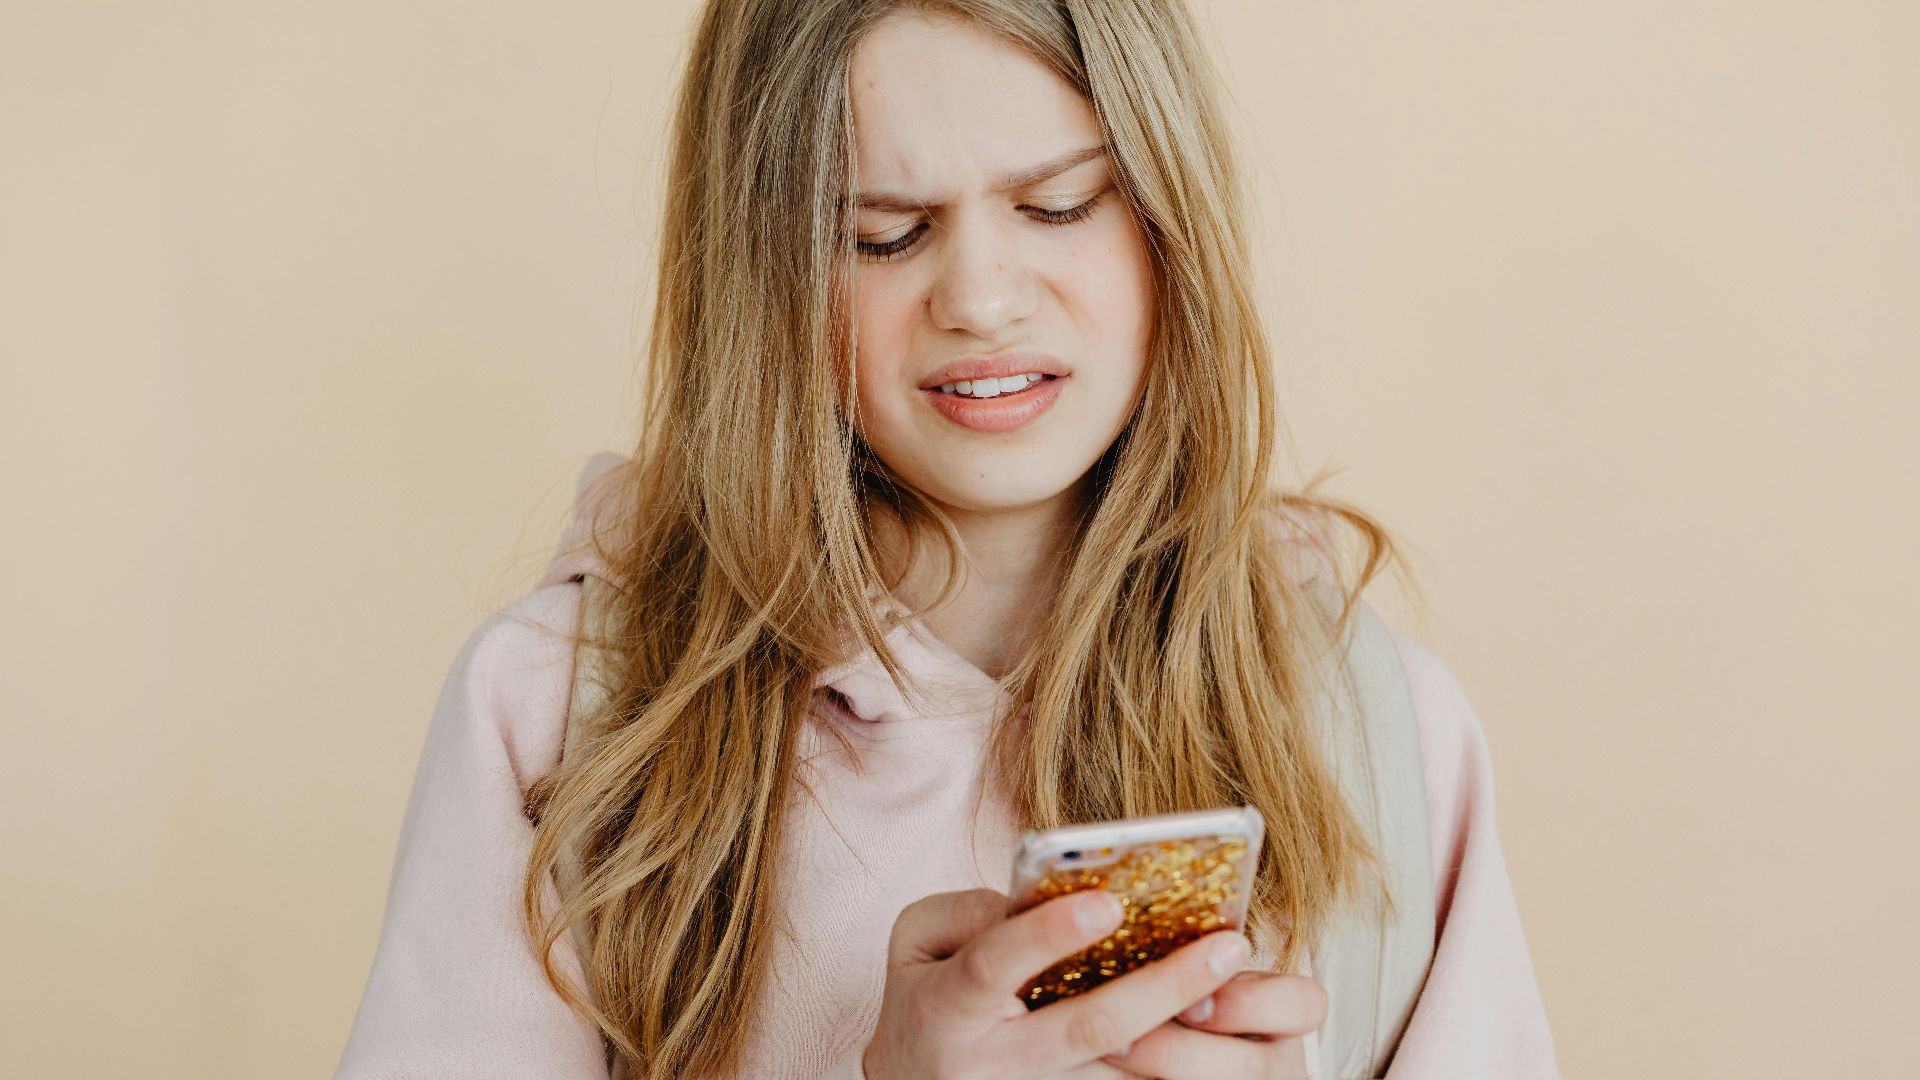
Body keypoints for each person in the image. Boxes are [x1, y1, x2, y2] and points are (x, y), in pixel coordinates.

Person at [334, 2, 1559, 1078]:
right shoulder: (559, 715)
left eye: (1059, 203)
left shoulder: (1372, 730)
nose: (981, 296)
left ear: (1172, 218)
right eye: (883, 233)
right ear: (761, 280)